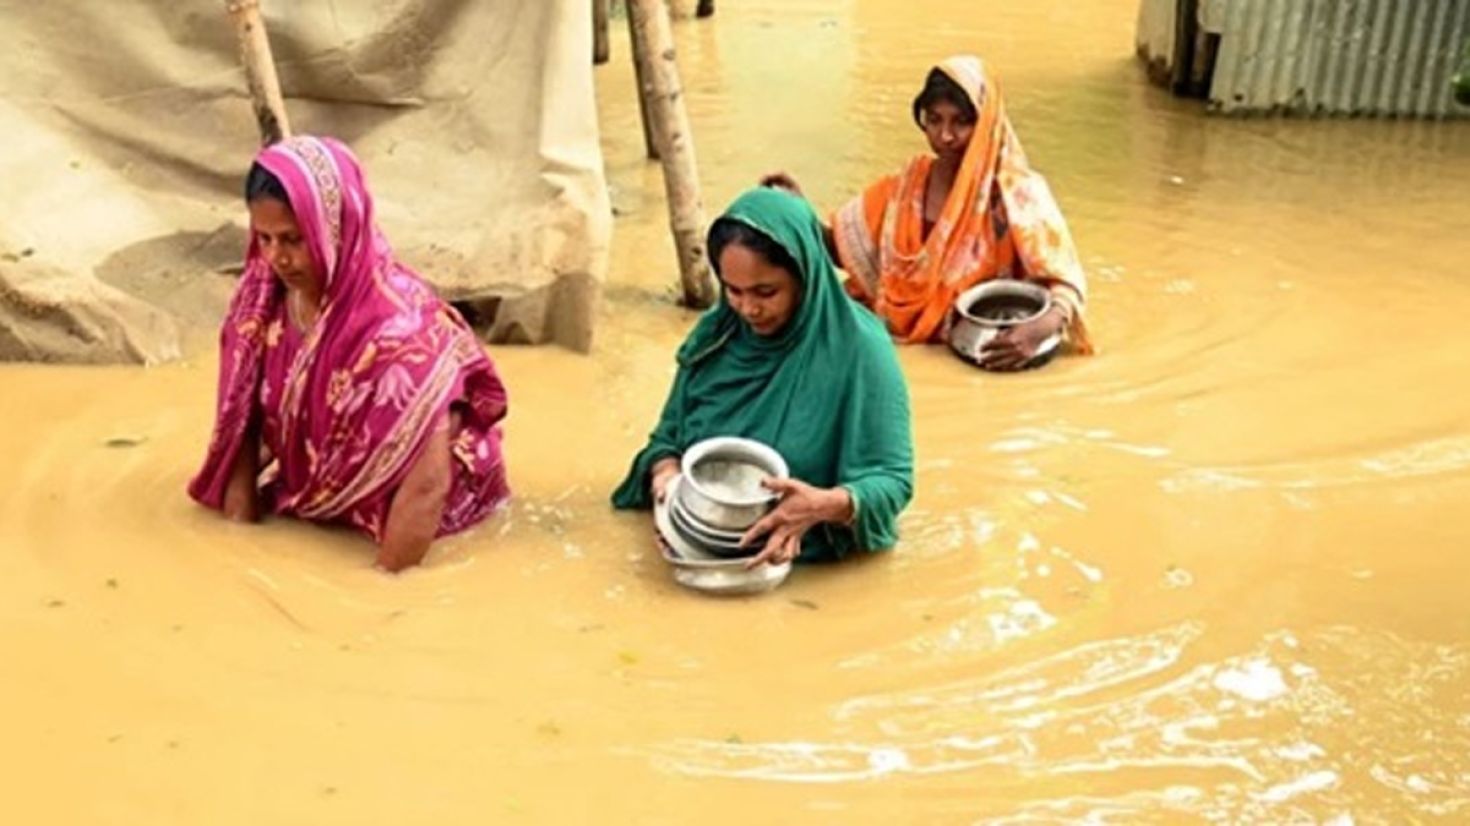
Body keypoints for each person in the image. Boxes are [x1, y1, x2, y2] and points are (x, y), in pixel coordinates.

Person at [189, 136, 510, 572]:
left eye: (293, 239)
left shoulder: (400, 333)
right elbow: (240, 420)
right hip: (317, 493)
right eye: (263, 238)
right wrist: (239, 543)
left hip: (420, 512)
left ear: (337, 229)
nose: (276, 257)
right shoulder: (262, 296)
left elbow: (427, 485)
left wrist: (381, 589)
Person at [611, 187, 914, 567]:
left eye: (766, 292)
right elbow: (667, 439)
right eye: (732, 290)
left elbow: (892, 481)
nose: (748, 308)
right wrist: (667, 486)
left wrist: (822, 506)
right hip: (702, 552)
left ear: (806, 275)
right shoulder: (716, 337)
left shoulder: (860, 350)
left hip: (806, 566)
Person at [763, 54, 1094, 370]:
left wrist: (1038, 330)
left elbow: (1064, 283)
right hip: (891, 338)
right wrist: (797, 210)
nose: (945, 136)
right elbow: (842, 250)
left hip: (978, 347)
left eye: (961, 123)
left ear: (986, 124)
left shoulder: (1017, 194)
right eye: (934, 120)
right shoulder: (906, 186)